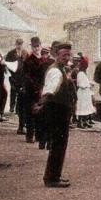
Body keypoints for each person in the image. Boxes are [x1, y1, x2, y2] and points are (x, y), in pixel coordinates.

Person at [33, 41, 77, 188]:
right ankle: (51, 178)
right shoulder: (56, 71)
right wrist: (40, 104)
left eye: (68, 55)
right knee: (58, 145)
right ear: (57, 55)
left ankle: (55, 175)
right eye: (64, 55)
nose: (66, 58)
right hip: (58, 112)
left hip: (61, 111)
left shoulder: (62, 69)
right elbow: (49, 91)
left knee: (60, 145)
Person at [5, 38, 28, 133]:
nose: (19, 45)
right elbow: (7, 64)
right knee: (13, 91)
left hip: (23, 78)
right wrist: (10, 76)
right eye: (18, 44)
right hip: (14, 77)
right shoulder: (11, 53)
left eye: (21, 44)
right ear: (15, 44)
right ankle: (12, 106)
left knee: (22, 99)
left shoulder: (25, 53)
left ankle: (18, 110)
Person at [75, 57, 96, 129]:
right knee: (82, 107)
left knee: (86, 107)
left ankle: (85, 121)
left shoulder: (83, 73)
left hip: (86, 93)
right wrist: (88, 85)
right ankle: (79, 122)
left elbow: (85, 82)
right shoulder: (80, 73)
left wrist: (89, 83)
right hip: (82, 93)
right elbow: (81, 84)